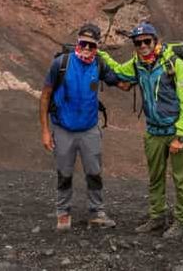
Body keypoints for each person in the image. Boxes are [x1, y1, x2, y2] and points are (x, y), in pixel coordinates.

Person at [100, 22, 183, 238]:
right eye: (138, 42)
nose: (143, 45)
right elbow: (118, 71)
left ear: (156, 41)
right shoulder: (137, 64)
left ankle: (181, 221)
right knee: (155, 178)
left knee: (180, 179)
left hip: (175, 132)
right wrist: (102, 56)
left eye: (147, 41)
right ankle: (157, 218)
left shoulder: (174, 64)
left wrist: (181, 136)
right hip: (153, 132)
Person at [39, 23, 125, 231]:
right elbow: (45, 95)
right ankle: (63, 213)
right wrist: (45, 130)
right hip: (63, 128)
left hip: (89, 129)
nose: (86, 48)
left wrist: (143, 71)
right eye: (83, 43)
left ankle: (97, 213)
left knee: (94, 172)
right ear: (78, 42)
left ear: (97, 47)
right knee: (64, 172)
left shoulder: (99, 65)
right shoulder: (61, 64)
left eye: (91, 45)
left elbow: (122, 83)